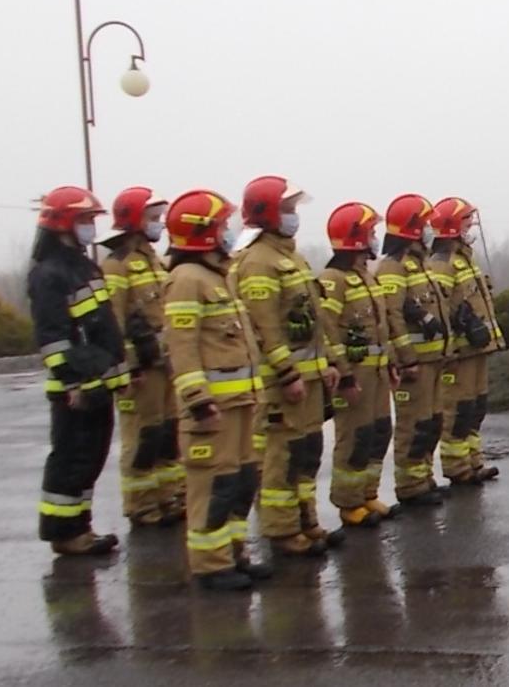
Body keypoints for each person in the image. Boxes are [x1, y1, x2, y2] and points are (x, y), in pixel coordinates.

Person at [161, 189, 268, 590]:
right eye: (222, 225)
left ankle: (234, 553)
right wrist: (198, 400)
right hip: (213, 409)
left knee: (240, 481)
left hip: (239, 403)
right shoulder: (187, 280)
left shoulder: (216, 277)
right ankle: (210, 565)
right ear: (202, 232)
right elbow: (182, 346)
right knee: (213, 485)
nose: (229, 231)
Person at [230, 175, 339, 559]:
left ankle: (306, 520)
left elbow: (313, 320)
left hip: (309, 379)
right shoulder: (257, 262)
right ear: (268, 213)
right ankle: (281, 530)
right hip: (282, 382)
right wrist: (288, 374)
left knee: (307, 452)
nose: (294, 216)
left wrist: (327, 363)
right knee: (282, 456)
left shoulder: (291, 257)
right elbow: (265, 328)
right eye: (288, 209)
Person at [29, 185, 129, 556]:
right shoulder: (49, 274)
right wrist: (71, 381)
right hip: (76, 388)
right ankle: (63, 532)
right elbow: (53, 338)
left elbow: (103, 329)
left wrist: (119, 376)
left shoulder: (83, 267)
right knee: (71, 460)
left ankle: (80, 527)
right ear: (64, 223)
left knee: (90, 459)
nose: (91, 226)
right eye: (85, 219)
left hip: (97, 383)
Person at [99, 186, 183, 529]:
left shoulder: (155, 261)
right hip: (142, 370)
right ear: (134, 220)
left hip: (165, 365)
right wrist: (128, 367)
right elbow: (113, 322)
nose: (158, 224)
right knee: (143, 436)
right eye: (152, 218)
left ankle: (169, 495)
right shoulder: (117, 265)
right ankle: (141, 503)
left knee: (168, 433)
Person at [319, 202, 401, 530]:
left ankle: (368, 493)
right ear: (354, 237)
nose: (375, 237)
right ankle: (348, 502)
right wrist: (344, 375)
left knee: (378, 433)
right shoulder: (333, 279)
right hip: (355, 375)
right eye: (370, 232)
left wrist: (391, 361)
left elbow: (380, 327)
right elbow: (327, 331)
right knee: (354, 437)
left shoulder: (366, 275)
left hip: (377, 372)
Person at [377, 194, 450, 507]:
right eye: (424, 225)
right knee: (413, 425)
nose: (430, 230)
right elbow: (392, 317)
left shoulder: (420, 264)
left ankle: (424, 477)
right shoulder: (393, 268)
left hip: (433, 358)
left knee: (431, 422)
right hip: (415, 362)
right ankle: (409, 485)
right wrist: (405, 359)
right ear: (411, 229)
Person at [428, 196, 506, 483]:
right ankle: (456, 467)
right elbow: (441, 308)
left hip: (476, 348)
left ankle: (473, 462)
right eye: (466, 220)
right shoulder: (442, 263)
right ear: (451, 226)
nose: (471, 225)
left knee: (475, 407)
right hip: (459, 352)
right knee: (458, 410)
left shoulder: (464, 258)